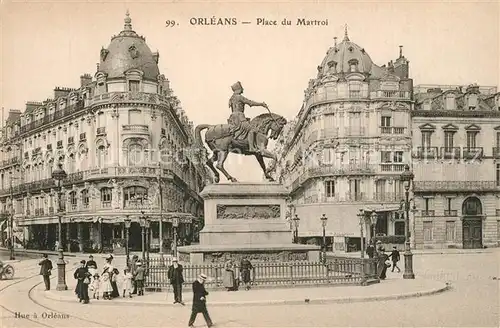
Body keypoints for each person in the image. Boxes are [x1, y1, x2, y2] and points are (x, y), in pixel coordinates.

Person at [228, 81, 269, 153]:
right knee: (252, 129)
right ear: (238, 89)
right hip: (239, 117)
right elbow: (250, 103)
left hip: (233, 118)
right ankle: (251, 148)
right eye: (241, 88)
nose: (242, 89)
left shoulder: (231, 98)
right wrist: (261, 104)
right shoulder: (239, 97)